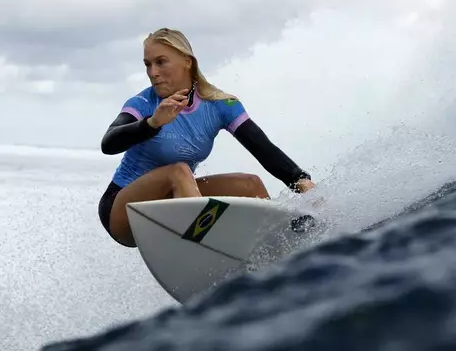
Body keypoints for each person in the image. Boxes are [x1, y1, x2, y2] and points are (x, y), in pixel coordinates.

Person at [98, 27, 316, 247]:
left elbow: (261, 147)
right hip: (123, 210)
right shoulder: (144, 103)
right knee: (179, 171)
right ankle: (205, 246)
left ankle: (276, 247)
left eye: (161, 62)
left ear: (187, 61)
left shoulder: (220, 105)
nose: (153, 72)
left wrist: (300, 181)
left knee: (250, 185)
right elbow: (109, 143)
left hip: (175, 205)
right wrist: (152, 123)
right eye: (148, 64)